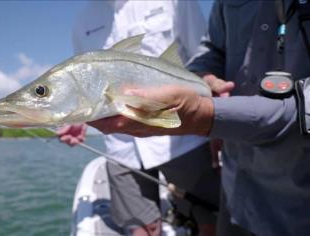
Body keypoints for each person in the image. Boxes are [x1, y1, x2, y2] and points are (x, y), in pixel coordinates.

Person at [88, 0, 310, 236]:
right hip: (235, 183)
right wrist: (204, 79)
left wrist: (208, 116)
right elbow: (209, 51)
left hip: (297, 198)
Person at [58, 1, 222, 235]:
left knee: (209, 221)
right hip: (121, 147)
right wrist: (76, 117)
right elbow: (85, 82)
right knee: (141, 228)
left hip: (181, 136)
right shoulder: (82, 20)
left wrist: (216, 123)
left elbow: (203, 59)